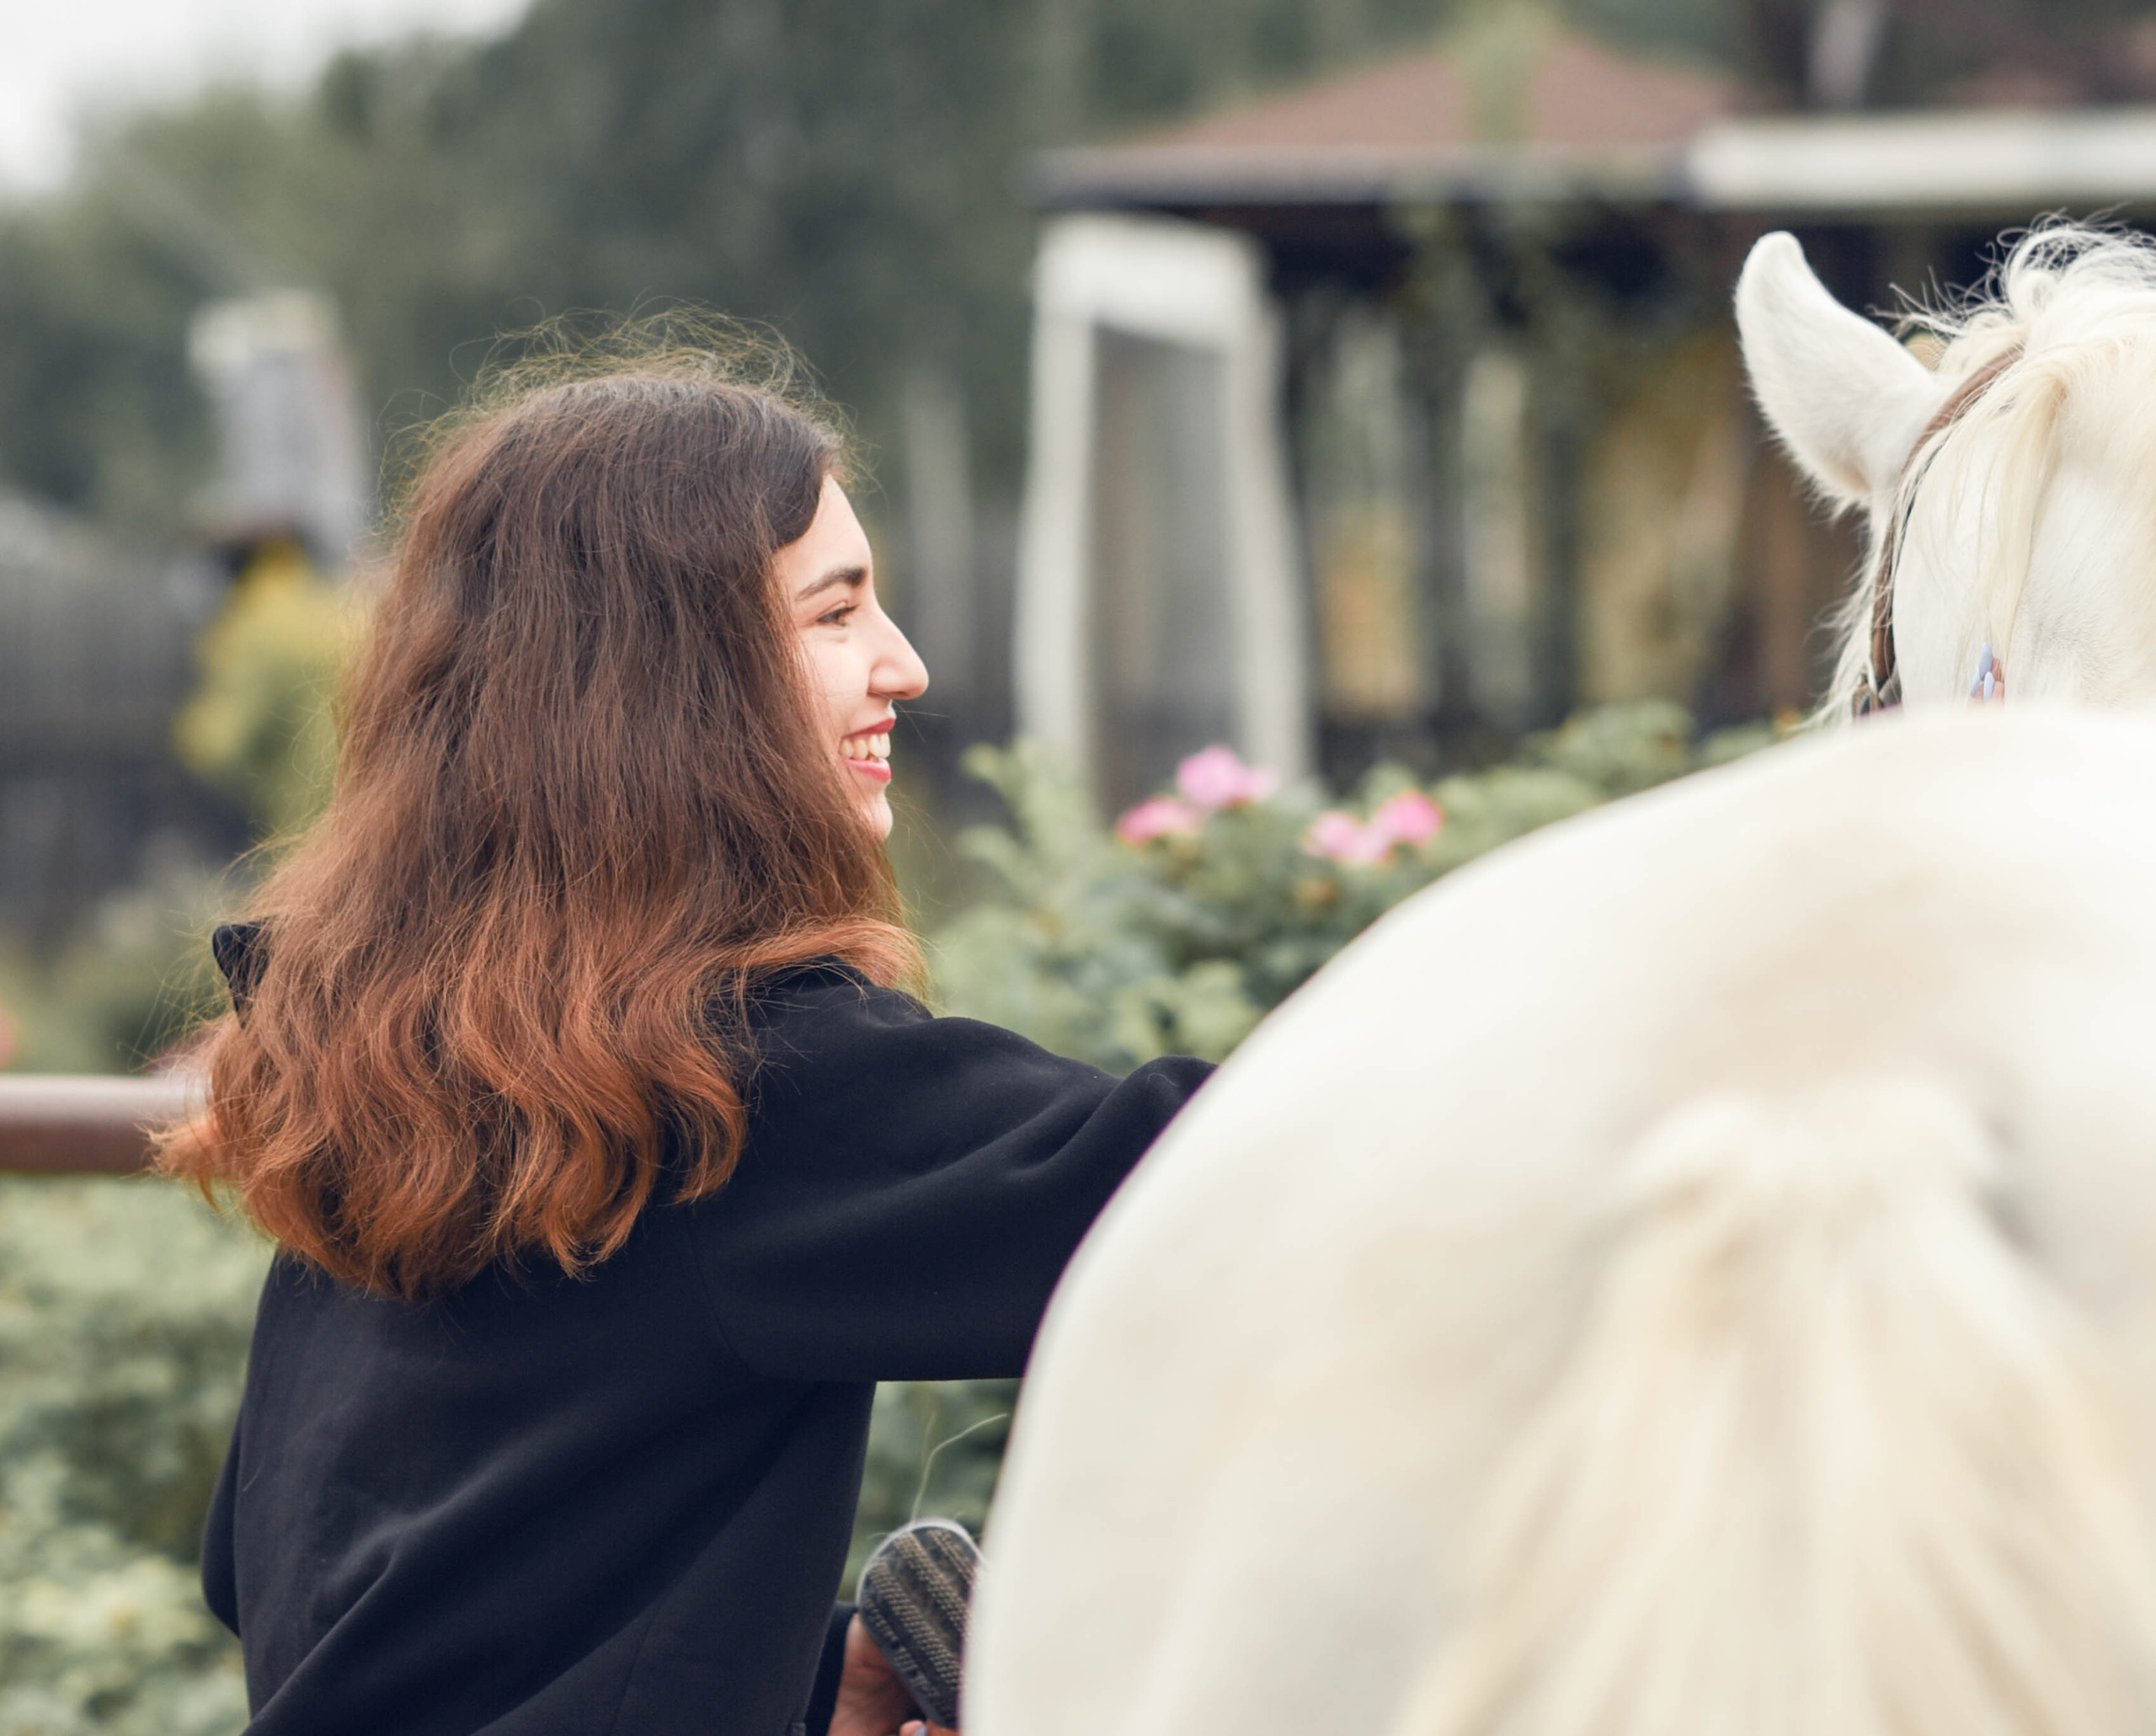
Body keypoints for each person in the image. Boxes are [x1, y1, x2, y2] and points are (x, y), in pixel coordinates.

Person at [159, 350, 1214, 1736]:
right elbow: (1217, 1185)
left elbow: (283, 1574)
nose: (905, 662)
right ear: (675, 682)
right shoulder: (740, 1085)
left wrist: (775, 1672)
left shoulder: (389, 1063)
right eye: (837, 612)